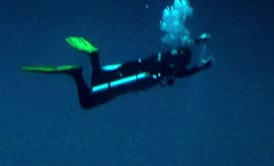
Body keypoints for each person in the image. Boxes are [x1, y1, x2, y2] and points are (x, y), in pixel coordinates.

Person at [22, 33, 214, 110]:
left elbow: (184, 44)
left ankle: (89, 63)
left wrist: (198, 40)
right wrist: (203, 66)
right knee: (88, 101)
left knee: (97, 84)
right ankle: (81, 69)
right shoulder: (173, 69)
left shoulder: (165, 56)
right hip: (128, 81)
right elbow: (185, 73)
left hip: (128, 68)